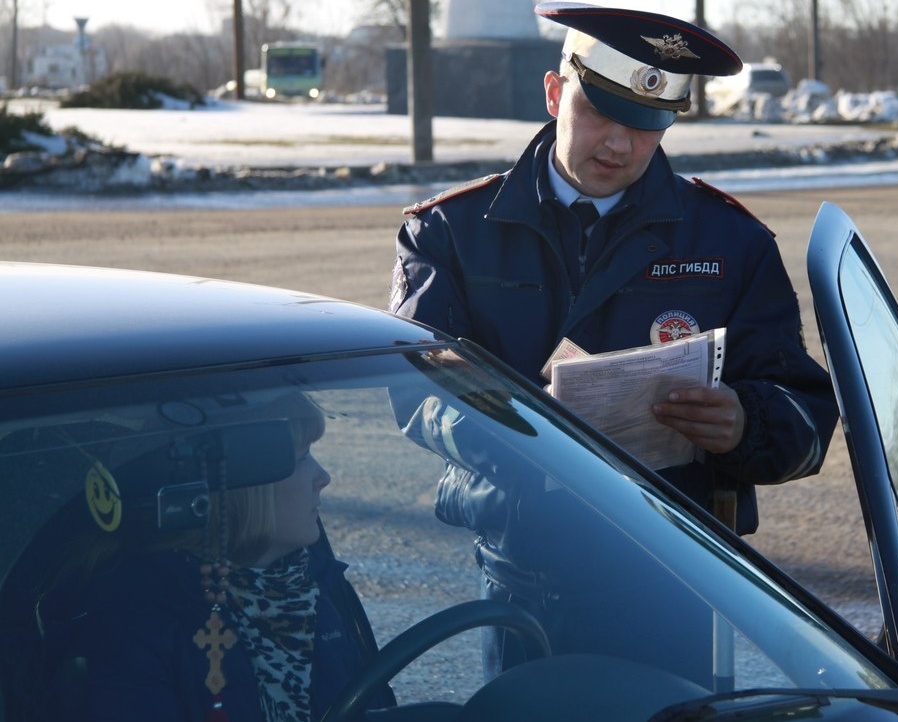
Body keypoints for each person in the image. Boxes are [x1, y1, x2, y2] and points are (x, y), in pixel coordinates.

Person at [388, 1, 839, 686]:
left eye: (646, 125)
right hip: (522, 577)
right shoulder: (451, 232)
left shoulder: (731, 241)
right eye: (600, 113)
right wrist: (519, 427)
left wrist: (744, 422)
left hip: (679, 580)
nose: (619, 146)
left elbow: (804, 415)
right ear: (553, 93)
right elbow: (416, 397)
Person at [32, 391, 393, 722]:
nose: (323, 477)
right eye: (301, 459)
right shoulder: (132, 629)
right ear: (244, 489)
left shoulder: (305, 589)